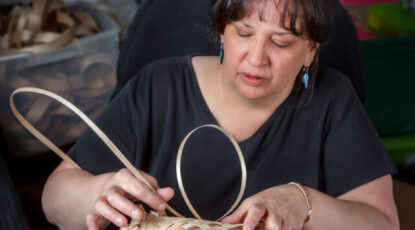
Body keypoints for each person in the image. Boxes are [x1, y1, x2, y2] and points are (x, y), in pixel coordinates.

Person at [42, 0, 399, 230]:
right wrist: (97, 192)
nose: (257, 59)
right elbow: (53, 198)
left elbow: (382, 223)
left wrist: (302, 202)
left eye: (281, 42)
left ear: (310, 50)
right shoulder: (158, 86)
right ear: (221, 32)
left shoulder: (333, 99)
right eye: (244, 33)